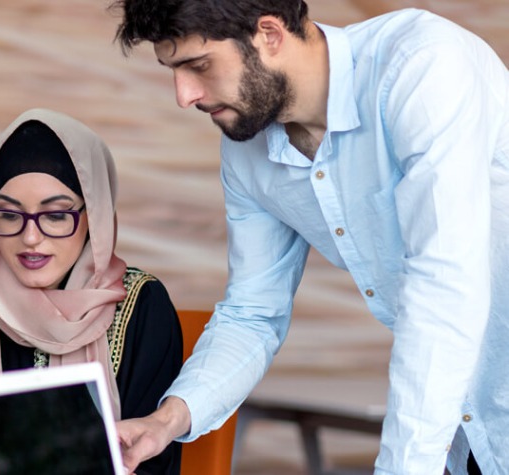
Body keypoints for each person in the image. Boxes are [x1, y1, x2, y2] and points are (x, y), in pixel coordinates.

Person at [111, 1, 508, 473]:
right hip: (464, 428)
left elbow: (444, 289)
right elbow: (253, 313)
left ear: (270, 34)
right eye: (172, 70)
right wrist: (166, 421)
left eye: (198, 66)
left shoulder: (422, 67)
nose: (184, 95)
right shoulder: (247, 150)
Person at [0, 109, 183, 474]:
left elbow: (155, 463)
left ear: (95, 214)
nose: (30, 238)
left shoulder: (141, 305)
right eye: (9, 215)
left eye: (56, 215)